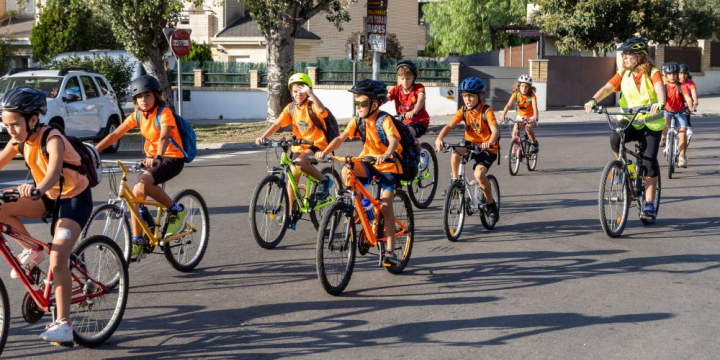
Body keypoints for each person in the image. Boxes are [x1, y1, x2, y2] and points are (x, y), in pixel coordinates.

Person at [0, 86, 93, 344]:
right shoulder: (18, 140)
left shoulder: (52, 138)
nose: (10, 131)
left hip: (74, 199)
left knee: (58, 257)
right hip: (49, 197)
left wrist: (37, 188)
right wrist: (40, 192)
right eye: (5, 124)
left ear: (32, 120)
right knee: (1, 210)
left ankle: (63, 324)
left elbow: (52, 172)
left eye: (15, 124)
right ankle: (33, 250)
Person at [95, 75, 188, 260]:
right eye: (139, 97)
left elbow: (163, 137)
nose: (143, 100)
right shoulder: (138, 115)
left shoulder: (164, 113)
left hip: (171, 158)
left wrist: (158, 157)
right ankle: (138, 241)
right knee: (136, 195)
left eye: (147, 96)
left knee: (143, 183)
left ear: (156, 96)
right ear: (134, 99)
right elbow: (115, 134)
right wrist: (93, 152)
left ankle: (177, 210)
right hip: (153, 159)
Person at [315, 79, 402, 266]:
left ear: (375, 103)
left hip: (388, 166)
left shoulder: (384, 120)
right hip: (368, 162)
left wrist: (387, 153)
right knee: (347, 168)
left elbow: (393, 139)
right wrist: (325, 152)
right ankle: (358, 207)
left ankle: (390, 251)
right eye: (357, 103)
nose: (359, 107)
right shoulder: (358, 121)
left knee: (386, 206)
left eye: (362, 103)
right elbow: (341, 138)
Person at [584, 37, 666, 218]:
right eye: (624, 54)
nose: (625, 57)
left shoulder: (653, 72)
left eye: (629, 54)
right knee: (614, 139)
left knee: (648, 161)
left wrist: (660, 103)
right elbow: (607, 88)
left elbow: (660, 88)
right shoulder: (623, 73)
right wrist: (593, 100)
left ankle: (649, 203)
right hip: (630, 119)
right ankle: (626, 169)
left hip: (651, 121)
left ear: (640, 56)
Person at [254, 72, 333, 230]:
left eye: (301, 90)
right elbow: (277, 124)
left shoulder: (311, 106)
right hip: (299, 146)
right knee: (291, 180)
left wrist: (311, 94)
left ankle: (324, 181)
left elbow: (323, 111)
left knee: (299, 162)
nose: (298, 94)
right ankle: (290, 214)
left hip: (317, 143)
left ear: (307, 90)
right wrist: (263, 136)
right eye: (295, 91)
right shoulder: (291, 108)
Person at [434, 77, 499, 222]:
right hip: (470, 144)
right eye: (464, 96)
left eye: (471, 95)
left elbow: (495, 131)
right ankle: (455, 182)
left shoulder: (486, 110)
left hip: (487, 148)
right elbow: (450, 126)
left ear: (479, 96)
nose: (467, 99)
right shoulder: (463, 111)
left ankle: (490, 204)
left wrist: (488, 142)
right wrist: (439, 138)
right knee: (455, 150)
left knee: (479, 176)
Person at [387, 60, 430, 170]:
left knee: (409, 132)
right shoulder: (396, 90)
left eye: (408, 78)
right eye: (402, 78)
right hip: (403, 122)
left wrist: (414, 111)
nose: (405, 81)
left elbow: (420, 99)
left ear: (414, 78)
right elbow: (386, 97)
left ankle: (422, 153)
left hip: (420, 121)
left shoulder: (419, 87)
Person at [660, 62, 692, 168]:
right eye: (669, 74)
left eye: (674, 74)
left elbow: (687, 97)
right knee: (664, 121)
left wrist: (691, 106)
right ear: (666, 75)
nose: (672, 76)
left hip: (680, 112)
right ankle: (663, 137)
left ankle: (682, 157)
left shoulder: (682, 86)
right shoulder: (664, 87)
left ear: (677, 74)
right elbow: (658, 98)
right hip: (667, 111)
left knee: (683, 132)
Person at [499, 74, 539, 153]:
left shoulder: (532, 96)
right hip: (521, 116)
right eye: (522, 86)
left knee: (528, 129)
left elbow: (534, 107)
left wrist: (535, 116)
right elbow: (508, 105)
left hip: (531, 115)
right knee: (514, 133)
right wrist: (503, 115)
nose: (524, 88)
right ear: (519, 86)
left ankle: (534, 143)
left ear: (529, 88)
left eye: (526, 87)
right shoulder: (516, 94)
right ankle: (513, 154)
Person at [678, 63, 697, 140]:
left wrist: (694, 105)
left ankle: (688, 127)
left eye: (685, 74)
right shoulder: (675, 82)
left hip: (687, 103)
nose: (683, 76)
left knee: (686, 113)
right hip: (676, 103)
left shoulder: (690, 83)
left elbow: (694, 95)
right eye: (681, 73)